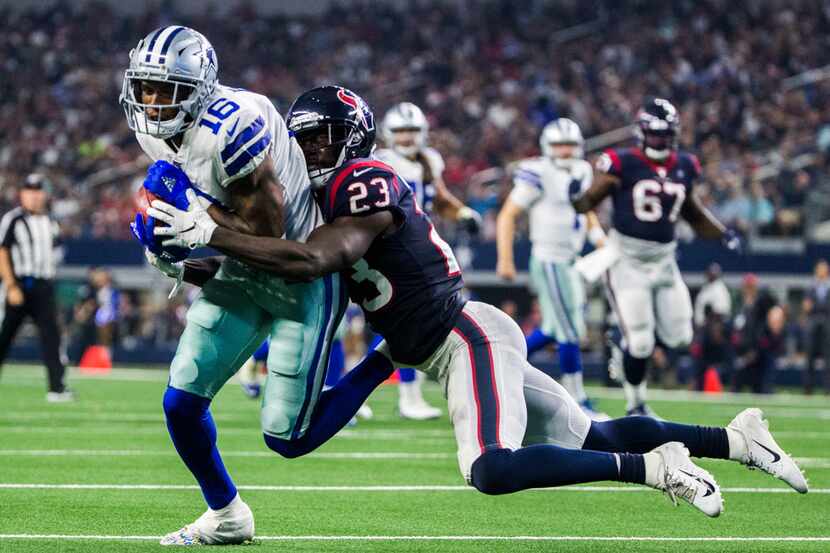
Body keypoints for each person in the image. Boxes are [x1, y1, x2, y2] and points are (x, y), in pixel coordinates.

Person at [152, 86, 808, 528]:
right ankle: (737, 439)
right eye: (299, 140)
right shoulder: (316, 203)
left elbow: (319, 258)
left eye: (319, 137)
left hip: (465, 335)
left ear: (351, 136)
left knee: (491, 468)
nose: (307, 151)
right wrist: (187, 254)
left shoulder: (365, 178)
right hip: (438, 346)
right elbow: (271, 258)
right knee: (593, 434)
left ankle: (656, 468)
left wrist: (212, 232)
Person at [122, 27, 391, 545]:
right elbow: (202, 212)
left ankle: (387, 357)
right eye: (145, 87)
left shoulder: (234, 124)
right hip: (245, 268)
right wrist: (173, 255)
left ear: (200, 87)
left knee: (288, 437)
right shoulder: (154, 130)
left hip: (300, 266)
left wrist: (198, 219)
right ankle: (226, 515)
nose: (153, 102)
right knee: (181, 401)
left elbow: (265, 232)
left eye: (167, 89)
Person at [570, 98, 741, 416]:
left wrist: (722, 234)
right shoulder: (622, 163)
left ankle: (626, 344)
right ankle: (636, 403)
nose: (660, 141)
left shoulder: (685, 166)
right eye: (655, 134)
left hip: (664, 261)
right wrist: (576, 199)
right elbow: (590, 200)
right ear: (642, 133)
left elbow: (692, 211)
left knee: (680, 337)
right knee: (642, 343)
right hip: (627, 261)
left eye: (665, 134)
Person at [373, 101, 481, 420]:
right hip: (389, 248)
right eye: (400, 131)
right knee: (400, 323)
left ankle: (411, 394)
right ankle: (407, 395)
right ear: (387, 133)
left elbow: (439, 197)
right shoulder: (380, 161)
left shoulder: (430, 160)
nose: (406, 137)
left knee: (411, 322)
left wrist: (461, 212)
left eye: (412, 130)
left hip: (419, 248)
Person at [496, 118, 608, 420]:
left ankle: (500, 362)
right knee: (570, 329)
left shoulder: (583, 170)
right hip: (549, 258)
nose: (564, 151)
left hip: (571, 259)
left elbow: (585, 212)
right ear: (547, 146)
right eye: (559, 145)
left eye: (570, 145)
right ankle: (577, 397)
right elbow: (508, 214)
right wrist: (504, 258)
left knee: (554, 329)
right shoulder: (539, 172)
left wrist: (599, 240)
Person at [0, 174, 71, 402]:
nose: (34, 196)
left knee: (52, 338)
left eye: (38, 191)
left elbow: (56, 253)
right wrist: (11, 285)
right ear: (22, 194)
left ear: (45, 195)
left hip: (43, 287)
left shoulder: (51, 222)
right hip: (20, 284)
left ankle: (56, 388)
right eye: (29, 191)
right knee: (4, 337)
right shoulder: (13, 219)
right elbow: (3, 252)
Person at [803, 259, 830, 394]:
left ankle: (827, 389)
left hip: (827, 325)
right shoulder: (811, 287)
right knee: (810, 358)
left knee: (828, 358)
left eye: (823, 269)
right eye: (819, 269)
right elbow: (806, 307)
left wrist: (816, 307)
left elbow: (811, 306)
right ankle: (808, 389)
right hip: (813, 325)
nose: (821, 272)